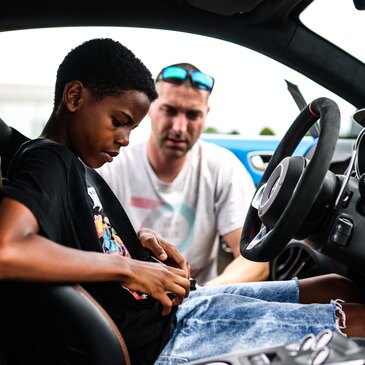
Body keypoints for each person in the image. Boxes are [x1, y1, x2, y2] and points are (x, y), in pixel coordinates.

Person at [1, 38, 365, 365]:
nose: (125, 139)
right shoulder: (49, 159)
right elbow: (7, 250)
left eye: (131, 128)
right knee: (358, 322)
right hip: (169, 337)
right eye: (119, 121)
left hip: (180, 309)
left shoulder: (78, 166)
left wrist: (138, 246)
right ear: (75, 97)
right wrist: (131, 270)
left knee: (336, 286)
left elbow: (75, 232)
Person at [97, 62, 269, 285]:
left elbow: (254, 261)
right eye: (170, 110)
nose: (179, 127)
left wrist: (197, 295)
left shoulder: (222, 167)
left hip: (200, 299)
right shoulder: (113, 162)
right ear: (150, 108)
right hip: (127, 299)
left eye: (193, 115)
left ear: (206, 115)